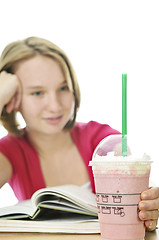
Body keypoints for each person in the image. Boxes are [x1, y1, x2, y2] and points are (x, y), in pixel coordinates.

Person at [0, 36, 158, 231]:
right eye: (37, 93)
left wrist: (148, 202)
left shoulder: (104, 141)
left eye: (63, 88)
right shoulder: (9, 150)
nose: (55, 105)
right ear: (12, 98)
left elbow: (138, 188)